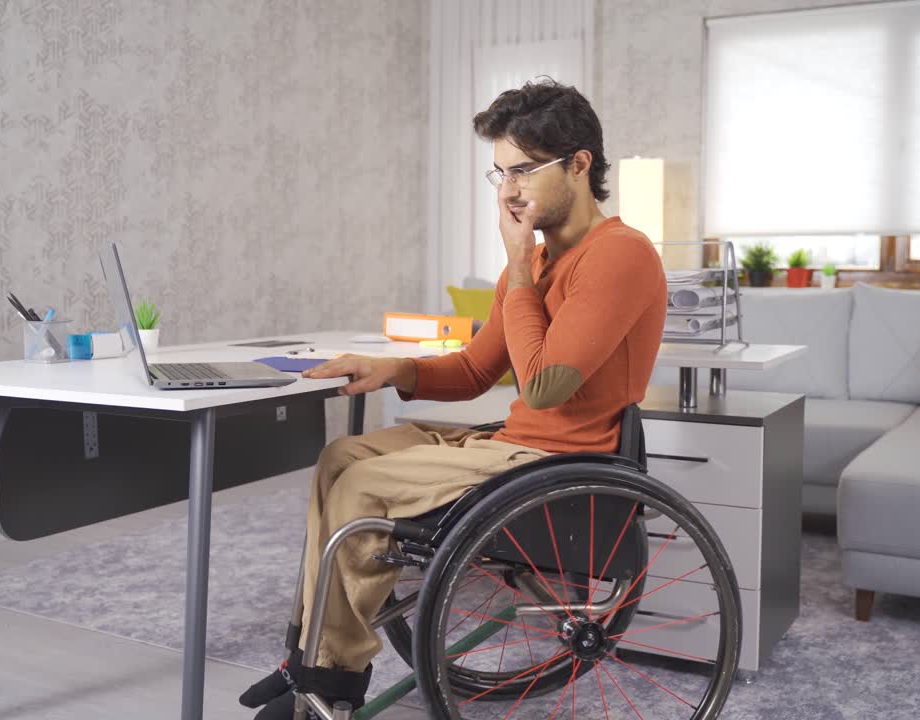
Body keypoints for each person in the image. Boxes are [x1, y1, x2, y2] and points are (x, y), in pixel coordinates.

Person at [239, 78, 667, 718]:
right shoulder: (538, 262)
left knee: (364, 489)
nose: (509, 191)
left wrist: (519, 269)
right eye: (499, 174)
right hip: (514, 443)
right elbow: (473, 370)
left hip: (561, 456)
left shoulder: (619, 256)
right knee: (341, 458)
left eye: (523, 170)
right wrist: (390, 369)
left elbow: (546, 386)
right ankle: (304, 658)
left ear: (580, 165)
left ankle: (332, 681)